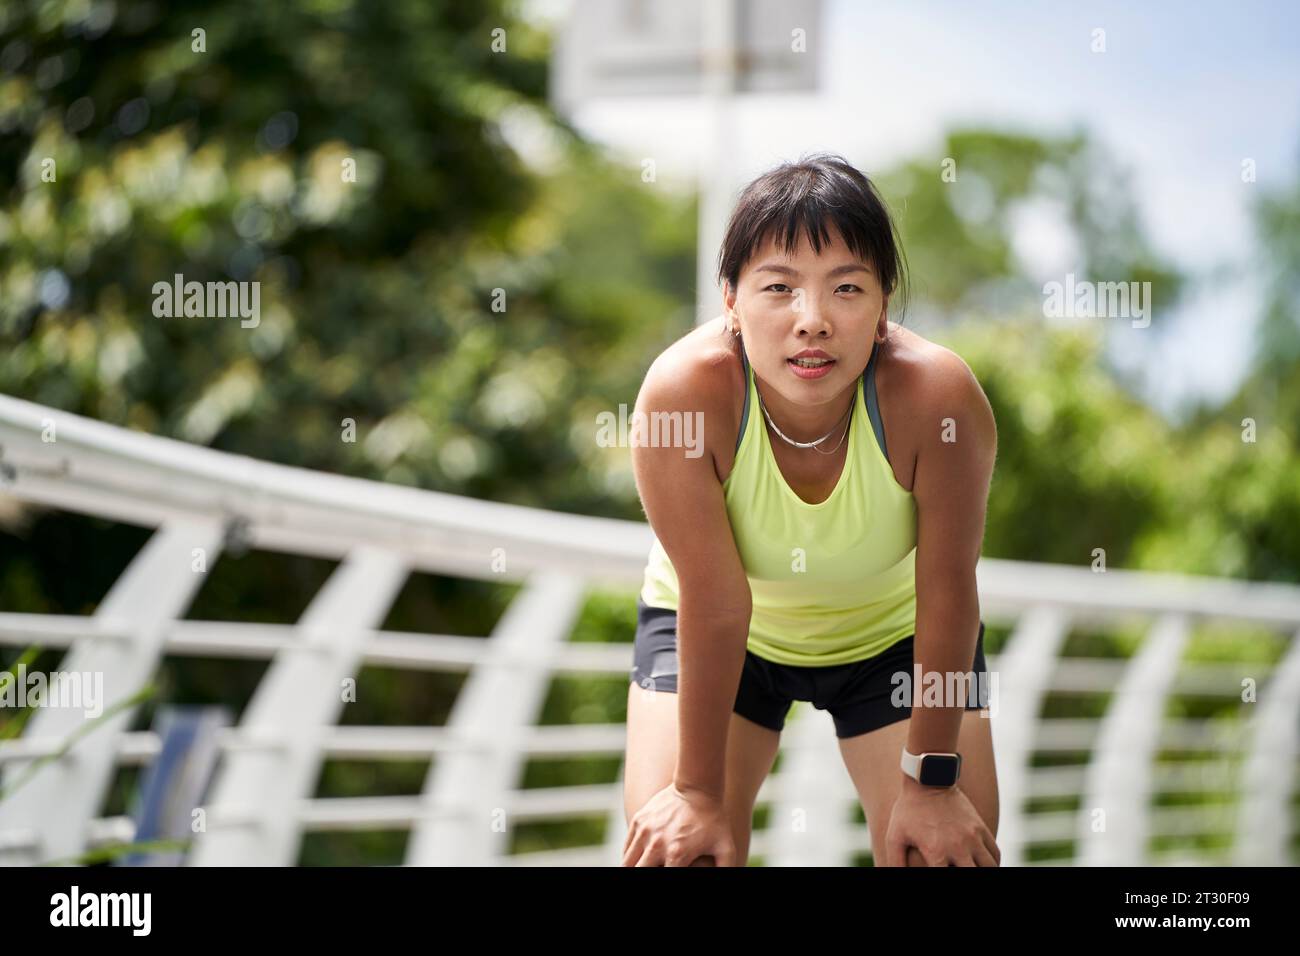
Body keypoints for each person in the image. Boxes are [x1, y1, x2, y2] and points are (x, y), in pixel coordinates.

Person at [621, 152, 1000, 867]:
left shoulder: (938, 399)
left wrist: (932, 780)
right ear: (730, 299)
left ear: (884, 305)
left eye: (847, 288)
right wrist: (697, 794)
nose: (813, 321)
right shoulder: (682, 396)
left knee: (941, 854)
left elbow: (949, 588)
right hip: (715, 632)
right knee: (680, 853)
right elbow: (716, 599)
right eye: (778, 287)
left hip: (891, 641)